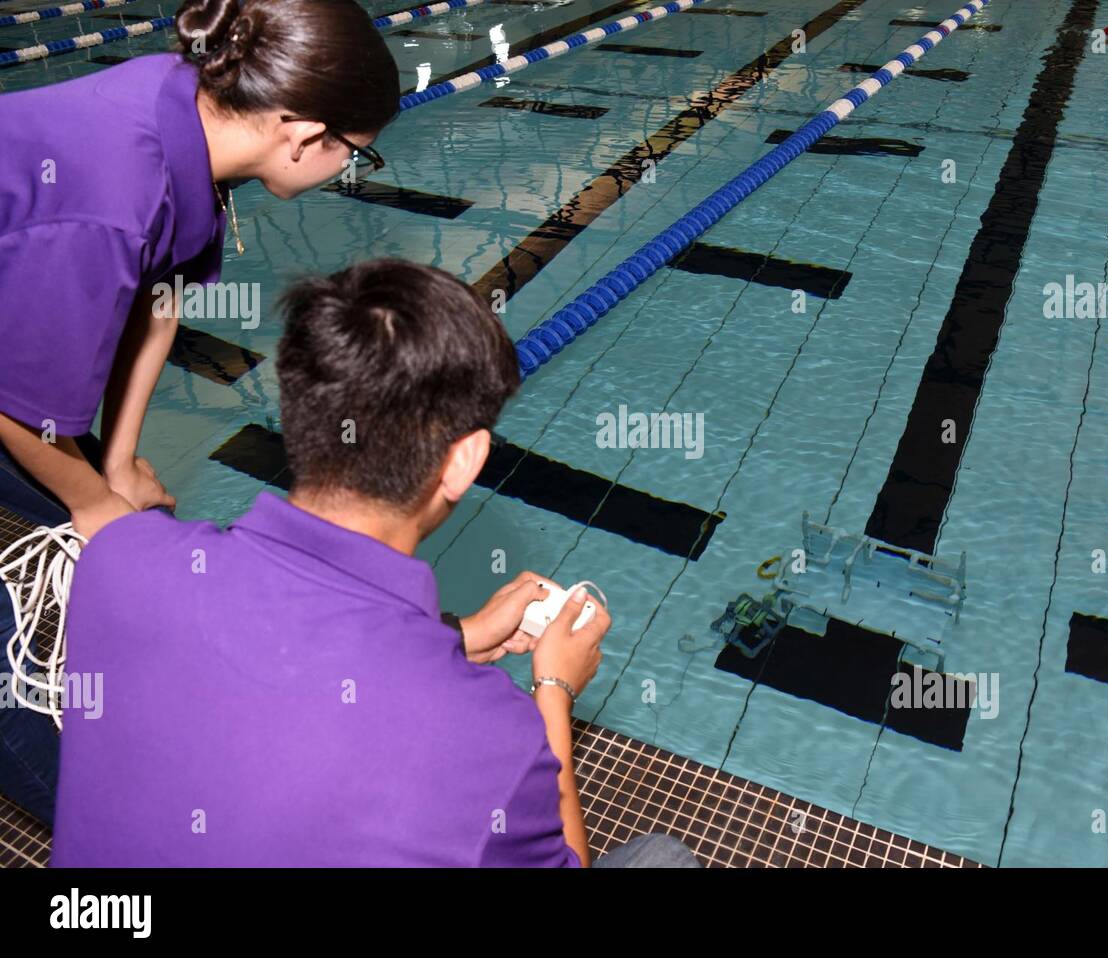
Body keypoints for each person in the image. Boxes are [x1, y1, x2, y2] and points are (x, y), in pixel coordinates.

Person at [51, 259, 700, 868]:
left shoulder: (119, 561)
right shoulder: (489, 741)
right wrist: (553, 692)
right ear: (464, 460)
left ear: (296, 407)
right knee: (665, 857)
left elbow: (288, 661)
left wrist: (462, 635)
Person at [0, 0, 398, 826]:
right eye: (357, 154)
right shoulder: (108, 194)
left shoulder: (184, 107)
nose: (349, 170)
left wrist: (116, 468)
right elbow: (12, 407)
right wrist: (92, 505)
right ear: (302, 133)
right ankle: (118, 829)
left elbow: (162, 293)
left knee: (136, 531)